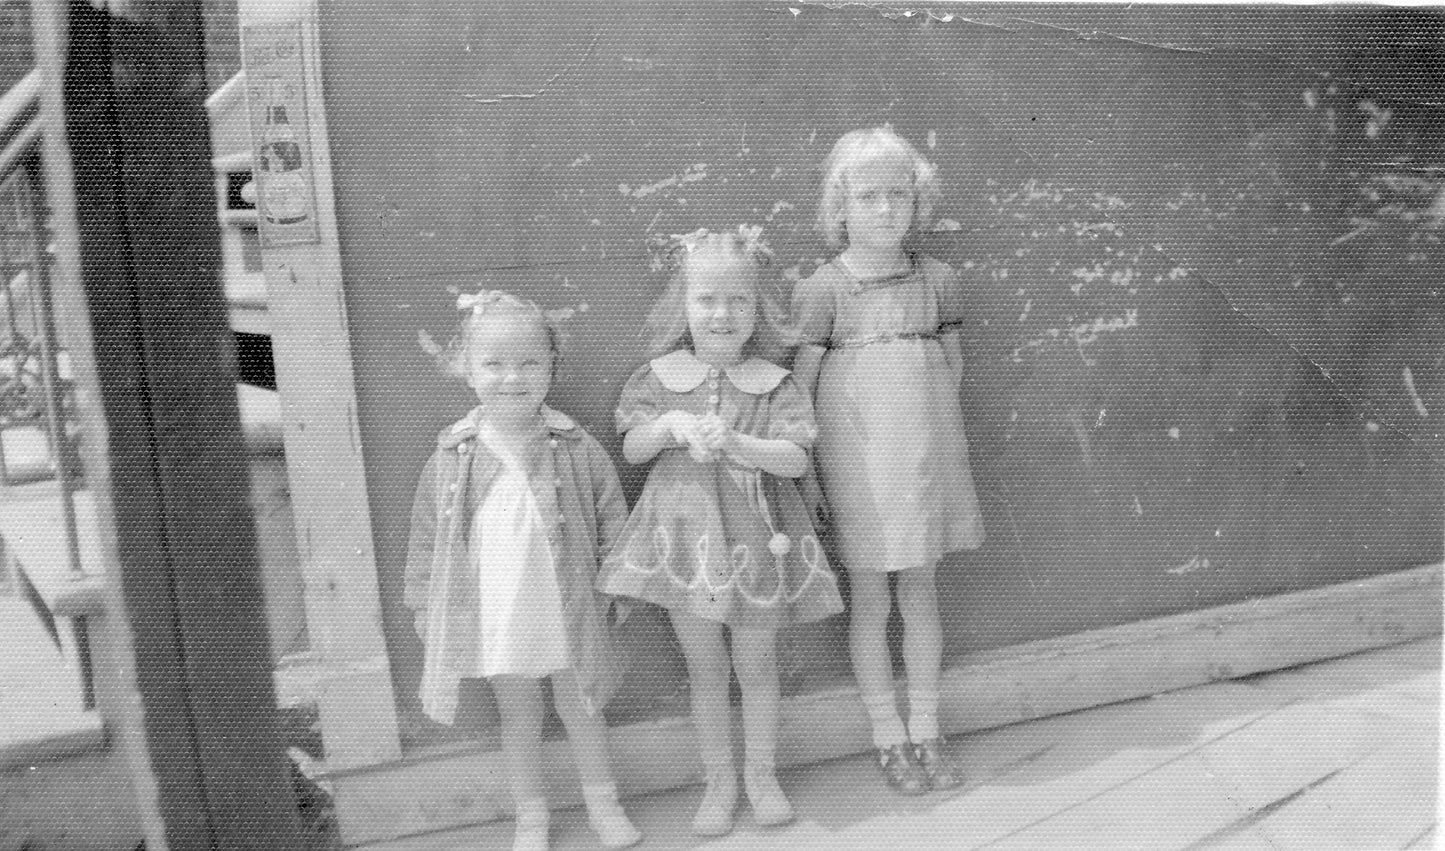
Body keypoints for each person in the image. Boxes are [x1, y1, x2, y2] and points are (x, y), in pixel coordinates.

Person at [597, 227, 843, 835]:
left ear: (757, 308)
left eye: (738, 299)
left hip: (757, 544)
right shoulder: (658, 378)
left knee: (756, 665)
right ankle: (719, 779)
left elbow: (797, 459)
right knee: (704, 666)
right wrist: (672, 424)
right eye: (706, 299)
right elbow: (631, 449)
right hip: (685, 545)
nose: (722, 313)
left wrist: (739, 442)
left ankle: (762, 774)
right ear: (683, 305)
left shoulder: (774, 382)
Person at [405, 291, 640, 851]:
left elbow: (613, 518)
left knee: (582, 707)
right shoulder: (452, 455)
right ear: (465, 369)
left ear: (553, 368)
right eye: (494, 363)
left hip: (569, 604)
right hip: (500, 611)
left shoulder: (575, 447)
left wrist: (618, 587)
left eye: (530, 362)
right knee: (520, 716)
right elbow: (427, 537)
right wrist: (423, 603)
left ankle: (604, 806)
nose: (513, 377)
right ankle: (531, 818)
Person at [791, 127, 987, 795]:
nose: (883, 209)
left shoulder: (937, 282)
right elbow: (801, 391)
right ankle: (887, 735)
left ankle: (927, 726)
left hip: (923, 462)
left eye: (897, 194)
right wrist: (813, 472)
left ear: (917, 201)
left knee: (921, 588)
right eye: (867, 196)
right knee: (870, 596)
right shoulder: (824, 289)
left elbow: (948, 371)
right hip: (858, 466)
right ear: (839, 205)